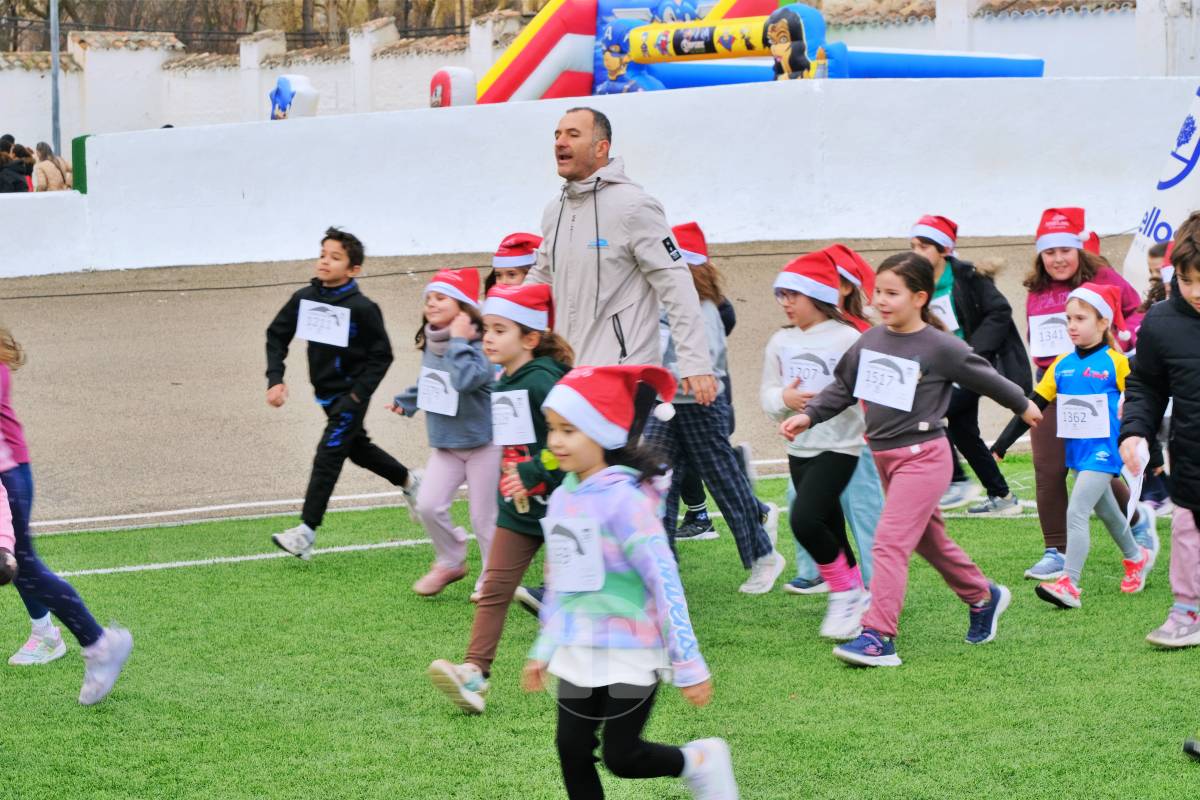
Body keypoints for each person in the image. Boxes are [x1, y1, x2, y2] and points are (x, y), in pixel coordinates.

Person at [781, 252, 1039, 667]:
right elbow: (842, 388)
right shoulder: (869, 341)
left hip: (924, 458)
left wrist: (1023, 404)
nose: (880, 301)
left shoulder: (939, 346)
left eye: (892, 293)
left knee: (889, 542)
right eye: (878, 292)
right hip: (885, 458)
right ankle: (982, 596)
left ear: (919, 297)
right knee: (929, 542)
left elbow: (984, 376)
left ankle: (878, 635)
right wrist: (808, 415)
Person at [524, 364, 739, 799]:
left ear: (604, 433)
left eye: (570, 430)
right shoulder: (564, 496)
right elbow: (560, 580)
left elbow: (664, 580)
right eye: (553, 429)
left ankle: (700, 760)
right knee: (571, 748)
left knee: (622, 757)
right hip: (579, 645)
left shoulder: (627, 501)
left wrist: (689, 663)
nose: (556, 441)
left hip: (631, 647)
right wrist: (545, 646)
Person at [427, 282, 572, 713]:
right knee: (494, 588)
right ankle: (474, 673)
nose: (487, 337)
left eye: (499, 330)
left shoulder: (544, 381)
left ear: (529, 339)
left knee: (586, 590)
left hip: (567, 504)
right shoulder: (504, 378)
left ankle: (634, 655)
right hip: (519, 506)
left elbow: (572, 436)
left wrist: (531, 471)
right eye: (485, 328)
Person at [525, 107, 717, 406]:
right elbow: (538, 280)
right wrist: (501, 321)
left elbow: (676, 283)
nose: (560, 142)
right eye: (557, 134)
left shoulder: (635, 206)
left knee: (615, 455)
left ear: (602, 148)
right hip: (568, 376)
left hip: (624, 376)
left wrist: (695, 362)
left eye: (573, 135)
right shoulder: (555, 210)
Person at [993, 283, 1153, 608]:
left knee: (1076, 510)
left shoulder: (1117, 363)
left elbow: (1143, 401)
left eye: (1080, 318)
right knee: (1107, 511)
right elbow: (1032, 406)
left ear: (1104, 322)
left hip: (1104, 451)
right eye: (1068, 319)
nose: (1072, 326)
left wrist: (1149, 449)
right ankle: (1136, 557)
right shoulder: (1061, 365)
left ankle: (1069, 583)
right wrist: (1000, 446)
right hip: (1079, 453)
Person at [646, 221, 782, 594]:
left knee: (723, 480)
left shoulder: (703, 306)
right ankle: (662, 566)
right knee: (656, 482)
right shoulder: (663, 299)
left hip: (701, 403)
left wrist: (667, 373)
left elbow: (705, 358)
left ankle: (763, 556)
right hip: (667, 403)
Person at [265, 227, 417, 560]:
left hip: (351, 398)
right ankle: (409, 481)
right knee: (357, 450)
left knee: (328, 455)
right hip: (326, 397)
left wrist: (358, 396)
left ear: (353, 269)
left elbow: (383, 355)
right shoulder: (304, 298)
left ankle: (305, 532)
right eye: (323, 254)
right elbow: (276, 336)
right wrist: (275, 378)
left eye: (335, 257)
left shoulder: (363, 308)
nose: (325, 262)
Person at [1020, 208, 1154, 581]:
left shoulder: (1103, 277)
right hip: (1054, 383)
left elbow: (1136, 312)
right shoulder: (1038, 287)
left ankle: (1126, 534)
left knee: (1096, 475)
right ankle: (1054, 550)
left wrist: (1126, 344)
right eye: (1049, 251)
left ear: (1079, 250)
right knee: (1049, 469)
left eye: (1065, 249)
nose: (1058, 258)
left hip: (1100, 388)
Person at [0, 327, 133, 703]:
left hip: (6, 480)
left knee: (23, 567)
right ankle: (83, 640)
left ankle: (97, 643)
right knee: (24, 570)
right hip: (10, 475)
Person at [761, 251, 871, 637]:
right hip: (798, 447)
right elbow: (767, 392)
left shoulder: (848, 337)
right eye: (782, 295)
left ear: (818, 296)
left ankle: (844, 593)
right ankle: (857, 590)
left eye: (794, 294)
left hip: (842, 445)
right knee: (828, 524)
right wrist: (782, 402)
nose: (786, 303)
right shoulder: (779, 341)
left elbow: (864, 389)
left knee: (804, 519)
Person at [908, 215, 1032, 515]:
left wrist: (973, 351)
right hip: (940, 369)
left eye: (923, 246)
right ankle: (1001, 497)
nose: (916, 252)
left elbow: (1000, 311)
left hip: (969, 365)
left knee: (930, 411)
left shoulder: (967, 276)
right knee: (964, 431)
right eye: (912, 245)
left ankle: (955, 481)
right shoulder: (915, 283)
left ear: (943, 250)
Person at [391, 267, 498, 598]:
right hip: (446, 445)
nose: (432, 304)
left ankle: (493, 581)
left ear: (465, 307)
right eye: (429, 298)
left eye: (442, 298)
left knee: (485, 519)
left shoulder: (482, 344)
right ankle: (451, 560)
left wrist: (461, 341)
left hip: (485, 444)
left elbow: (465, 380)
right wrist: (408, 401)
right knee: (427, 505)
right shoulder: (434, 340)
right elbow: (433, 380)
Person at [1121, 212, 1200, 648]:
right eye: (1187, 281)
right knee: (1188, 532)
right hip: (1192, 457)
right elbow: (1146, 385)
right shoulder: (1161, 321)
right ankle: (1187, 611)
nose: (1196, 292)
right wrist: (1135, 432)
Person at [783, 244, 881, 595]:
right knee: (802, 505)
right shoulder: (802, 335)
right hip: (812, 440)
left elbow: (869, 391)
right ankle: (817, 571)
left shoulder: (858, 333)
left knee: (864, 512)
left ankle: (876, 588)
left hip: (855, 443)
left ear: (843, 288)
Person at [671, 223, 748, 541]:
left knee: (696, 461)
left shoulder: (710, 307)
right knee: (680, 461)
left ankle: (742, 508)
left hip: (702, 398)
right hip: (684, 397)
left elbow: (708, 353)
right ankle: (700, 513)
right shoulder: (689, 305)